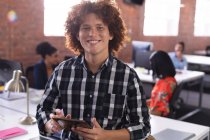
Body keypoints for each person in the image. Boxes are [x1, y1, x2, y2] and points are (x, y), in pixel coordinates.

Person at [36, 1, 151, 140]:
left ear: (111, 34)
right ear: (77, 34)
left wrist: (107, 135)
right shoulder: (62, 71)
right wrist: (51, 124)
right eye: (85, 28)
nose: (92, 33)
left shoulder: (128, 76)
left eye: (100, 27)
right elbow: (43, 109)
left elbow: (143, 126)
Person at [147, 50, 177, 117]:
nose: (152, 67)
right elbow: (157, 100)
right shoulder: (169, 80)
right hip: (151, 111)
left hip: (154, 118)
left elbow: (157, 112)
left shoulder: (165, 85)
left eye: (152, 64)